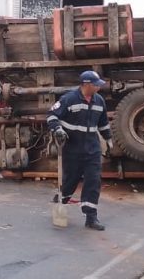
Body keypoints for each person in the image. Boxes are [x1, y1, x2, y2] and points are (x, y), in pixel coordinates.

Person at [47, 70, 113, 231]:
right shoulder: (69, 99)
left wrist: (108, 139)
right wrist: (58, 130)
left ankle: (91, 217)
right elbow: (52, 116)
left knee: (93, 180)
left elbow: (103, 123)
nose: (98, 87)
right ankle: (61, 200)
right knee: (70, 180)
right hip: (72, 147)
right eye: (96, 85)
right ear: (86, 84)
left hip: (92, 148)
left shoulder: (99, 101)